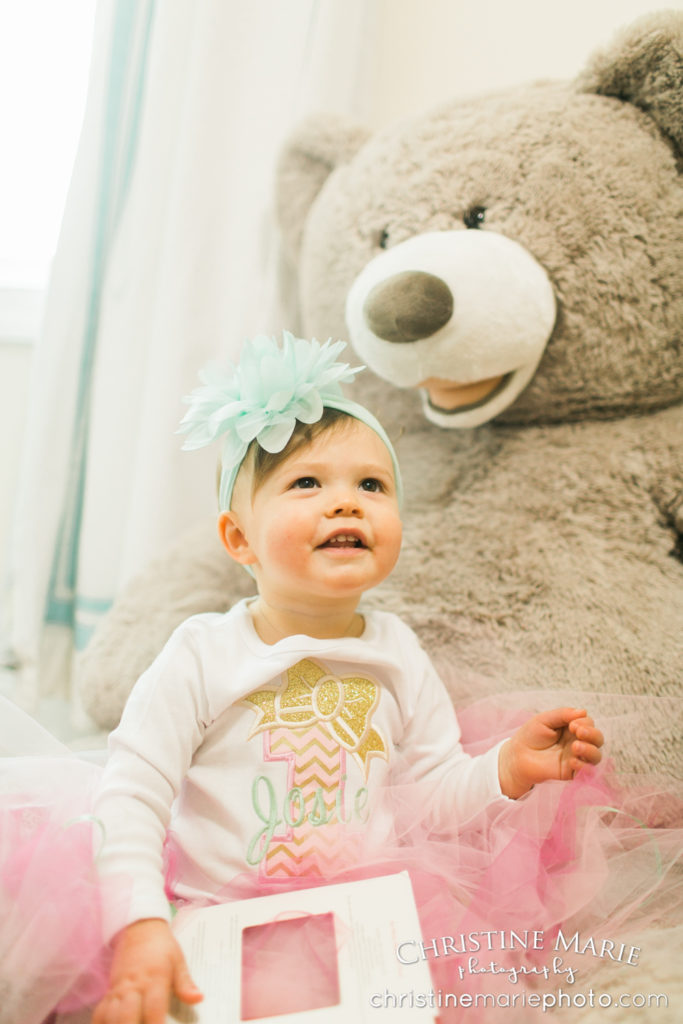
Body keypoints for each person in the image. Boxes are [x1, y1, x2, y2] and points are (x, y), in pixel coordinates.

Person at [89, 333, 607, 1024]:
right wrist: (140, 923)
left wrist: (503, 770)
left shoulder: (395, 651)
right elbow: (132, 795)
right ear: (239, 538)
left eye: (371, 485)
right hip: (220, 916)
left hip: (365, 916)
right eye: (306, 483)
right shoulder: (202, 654)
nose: (345, 504)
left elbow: (429, 799)